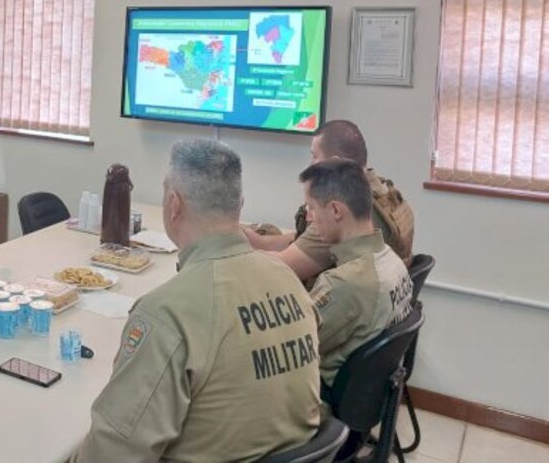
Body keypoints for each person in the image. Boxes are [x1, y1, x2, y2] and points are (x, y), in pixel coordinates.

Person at [71, 139, 320, 463]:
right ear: (240, 206)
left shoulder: (166, 313)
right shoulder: (288, 279)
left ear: (174, 205)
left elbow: (110, 456)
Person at [245, 119, 414, 281]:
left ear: (334, 162)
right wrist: (258, 241)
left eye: (315, 156)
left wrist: (233, 249)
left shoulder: (342, 210)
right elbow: (303, 241)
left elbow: (283, 268)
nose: (311, 164)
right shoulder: (384, 193)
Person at [299, 159, 413, 389]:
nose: (309, 217)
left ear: (335, 210)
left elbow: (289, 347)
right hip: (366, 395)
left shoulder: (344, 284)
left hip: (320, 399)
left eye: (311, 207)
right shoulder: (391, 260)